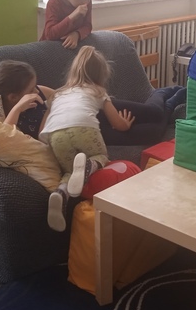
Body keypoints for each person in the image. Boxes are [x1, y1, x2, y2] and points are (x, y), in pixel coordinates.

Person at [40, 0, 187, 145]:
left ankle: (169, 92)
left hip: (97, 107)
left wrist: (77, 34)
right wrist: (73, 16)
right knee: (154, 130)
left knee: (153, 115)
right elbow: (50, 34)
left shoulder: (90, 92)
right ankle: (171, 98)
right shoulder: (55, 3)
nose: (84, 1)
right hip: (95, 122)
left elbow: (87, 26)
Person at [39, 46, 135, 232]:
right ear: (101, 75)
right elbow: (117, 124)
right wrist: (126, 123)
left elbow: (42, 130)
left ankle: (60, 193)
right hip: (85, 129)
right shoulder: (98, 91)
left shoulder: (57, 94)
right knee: (101, 156)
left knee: (69, 171)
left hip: (56, 136)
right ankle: (88, 166)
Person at [0, 60, 55, 138]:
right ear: (13, 97)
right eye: (31, 90)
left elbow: (62, 97)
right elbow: (5, 137)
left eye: (35, 86)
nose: (37, 91)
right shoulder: (2, 117)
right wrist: (17, 109)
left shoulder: (40, 91)